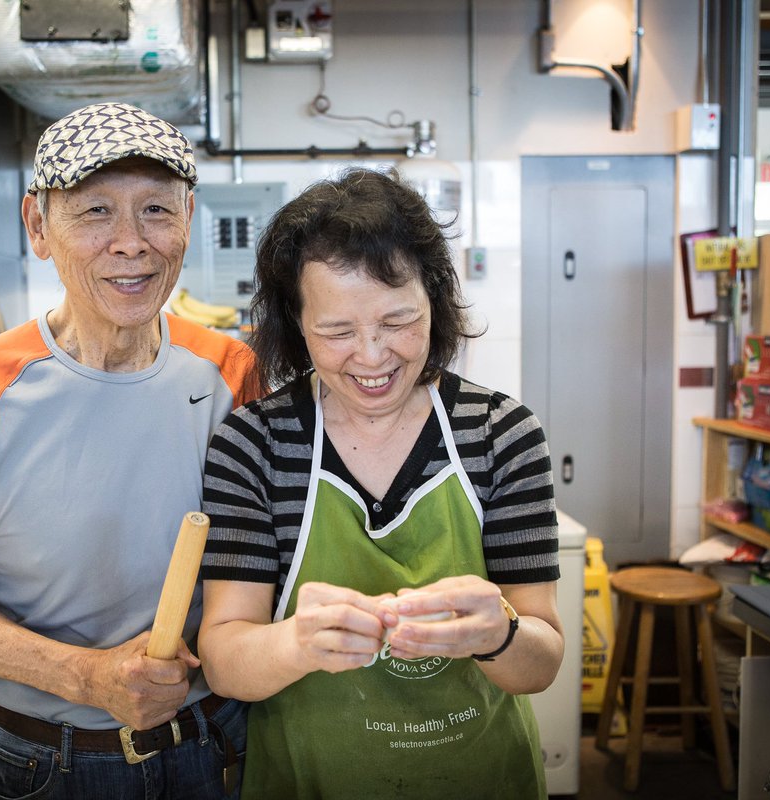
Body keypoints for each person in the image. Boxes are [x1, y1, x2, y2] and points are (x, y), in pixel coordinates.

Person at [0, 102, 259, 799]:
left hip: (216, 747)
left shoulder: (232, 373)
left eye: (156, 210)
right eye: (94, 212)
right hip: (45, 765)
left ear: (187, 220)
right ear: (37, 226)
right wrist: (86, 677)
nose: (131, 242)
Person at [196, 167, 563, 798]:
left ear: (435, 301)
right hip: (310, 779)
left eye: (398, 321)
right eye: (337, 331)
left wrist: (497, 633)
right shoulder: (253, 445)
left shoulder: (501, 434)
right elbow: (226, 660)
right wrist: (298, 642)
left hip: (480, 777)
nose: (371, 357)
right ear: (296, 322)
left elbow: (542, 658)